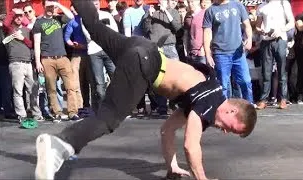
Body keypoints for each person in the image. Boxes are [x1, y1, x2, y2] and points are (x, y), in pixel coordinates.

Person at [34, 1, 257, 180]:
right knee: (108, 119)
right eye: (232, 129)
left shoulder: (205, 96)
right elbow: (190, 145)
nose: (226, 132)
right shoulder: (210, 104)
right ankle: (61, 144)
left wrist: (172, 167)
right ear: (232, 112)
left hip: (139, 47)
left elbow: (167, 130)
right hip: (145, 64)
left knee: (94, 25)